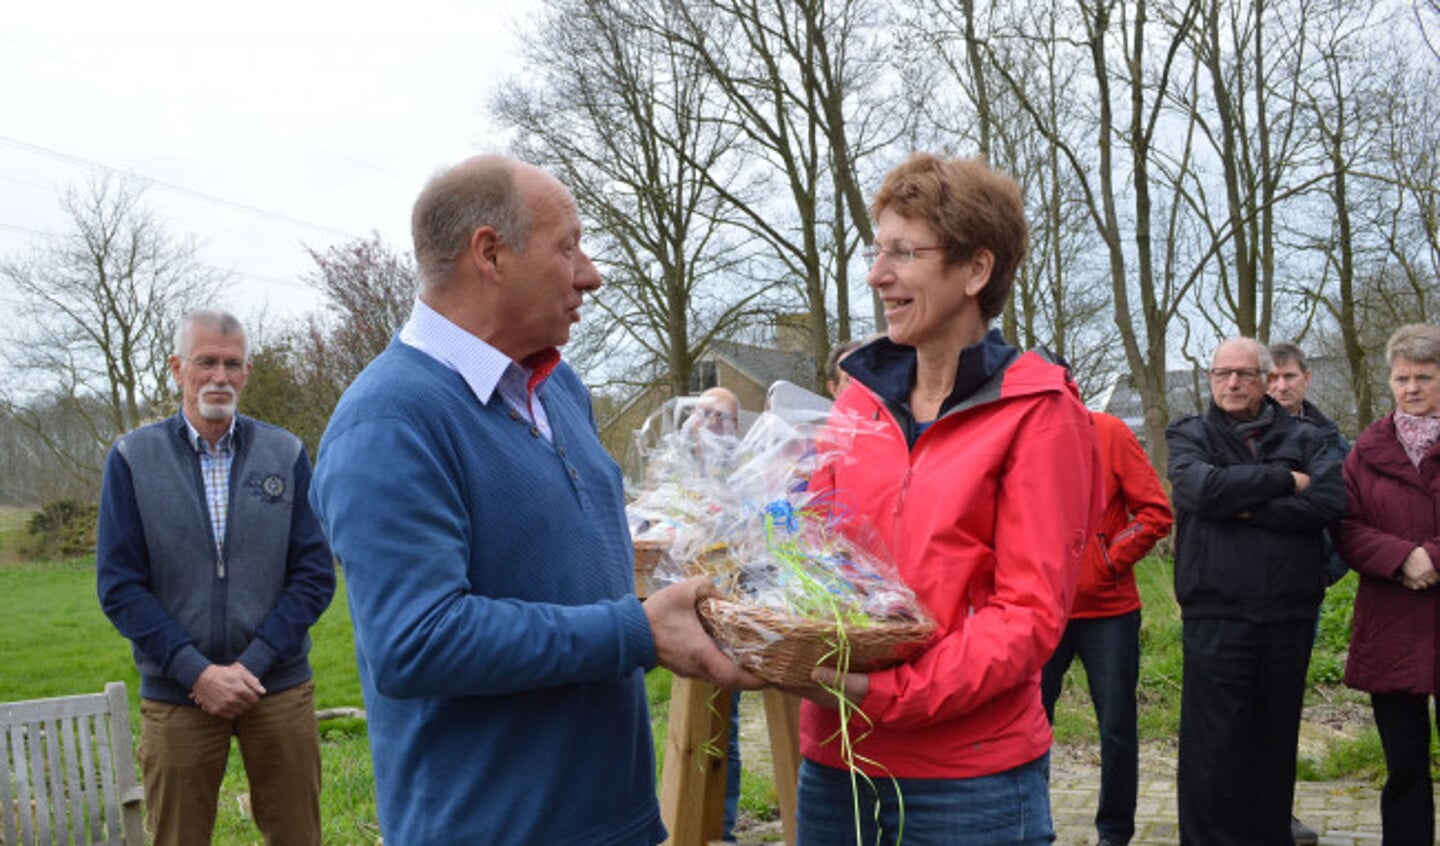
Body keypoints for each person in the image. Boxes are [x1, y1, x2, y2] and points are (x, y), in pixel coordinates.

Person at [308, 154, 760, 844]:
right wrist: (636, 632)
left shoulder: (556, 388)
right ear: (490, 253)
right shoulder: (390, 422)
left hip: (616, 821)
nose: (591, 274)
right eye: (567, 247)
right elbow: (415, 642)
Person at [792, 152, 1102, 845]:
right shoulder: (856, 403)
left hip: (968, 782)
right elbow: (812, 555)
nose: (878, 275)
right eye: (878, 252)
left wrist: (887, 695)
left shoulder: (1038, 412)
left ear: (975, 270)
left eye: (904, 253)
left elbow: (1026, 616)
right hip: (837, 762)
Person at [96, 309, 336, 845]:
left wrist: (252, 665)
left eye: (232, 364)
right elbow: (120, 585)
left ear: (247, 371)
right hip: (179, 693)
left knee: (299, 835)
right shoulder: (133, 459)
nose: (220, 377)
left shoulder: (286, 453)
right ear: (177, 368)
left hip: (276, 687)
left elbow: (315, 575)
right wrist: (196, 672)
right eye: (206, 362)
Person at [1166, 337, 1345, 845]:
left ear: (1267, 380)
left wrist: (1241, 503)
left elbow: (1330, 501)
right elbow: (1201, 491)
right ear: (1210, 378)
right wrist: (1287, 481)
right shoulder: (1189, 433)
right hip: (1216, 612)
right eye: (1223, 373)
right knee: (1210, 750)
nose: (1233, 383)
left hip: (1288, 614)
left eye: (1244, 374)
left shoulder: (1307, 436)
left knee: (1273, 743)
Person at [1041, 410, 1173, 846]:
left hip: (1109, 611)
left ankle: (1114, 833)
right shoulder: (1017, 432)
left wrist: (1106, 561)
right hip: (1040, 609)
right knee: (1028, 725)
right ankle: (1032, 824)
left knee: (1116, 726)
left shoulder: (1110, 432)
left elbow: (1155, 512)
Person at [1335, 323, 1440, 846]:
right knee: (1404, 766)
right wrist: (1401, 558)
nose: (1412, 388)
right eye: (1402, 377)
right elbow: (1346, 527)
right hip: (1390, 623)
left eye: (1424, 376)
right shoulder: (1365, 451)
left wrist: (1431, 556)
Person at [1268, 341, 1353, 846]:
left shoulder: (1332, 443)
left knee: (1284, 705)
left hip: (1304, 593)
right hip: (1242, 591)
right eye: (1273, 377)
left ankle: (1282, 810)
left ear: (1307, 379)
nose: (1281, 386)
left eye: (1289, 377)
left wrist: (1325, 574)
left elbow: (1349, 517)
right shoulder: (1242, 435)